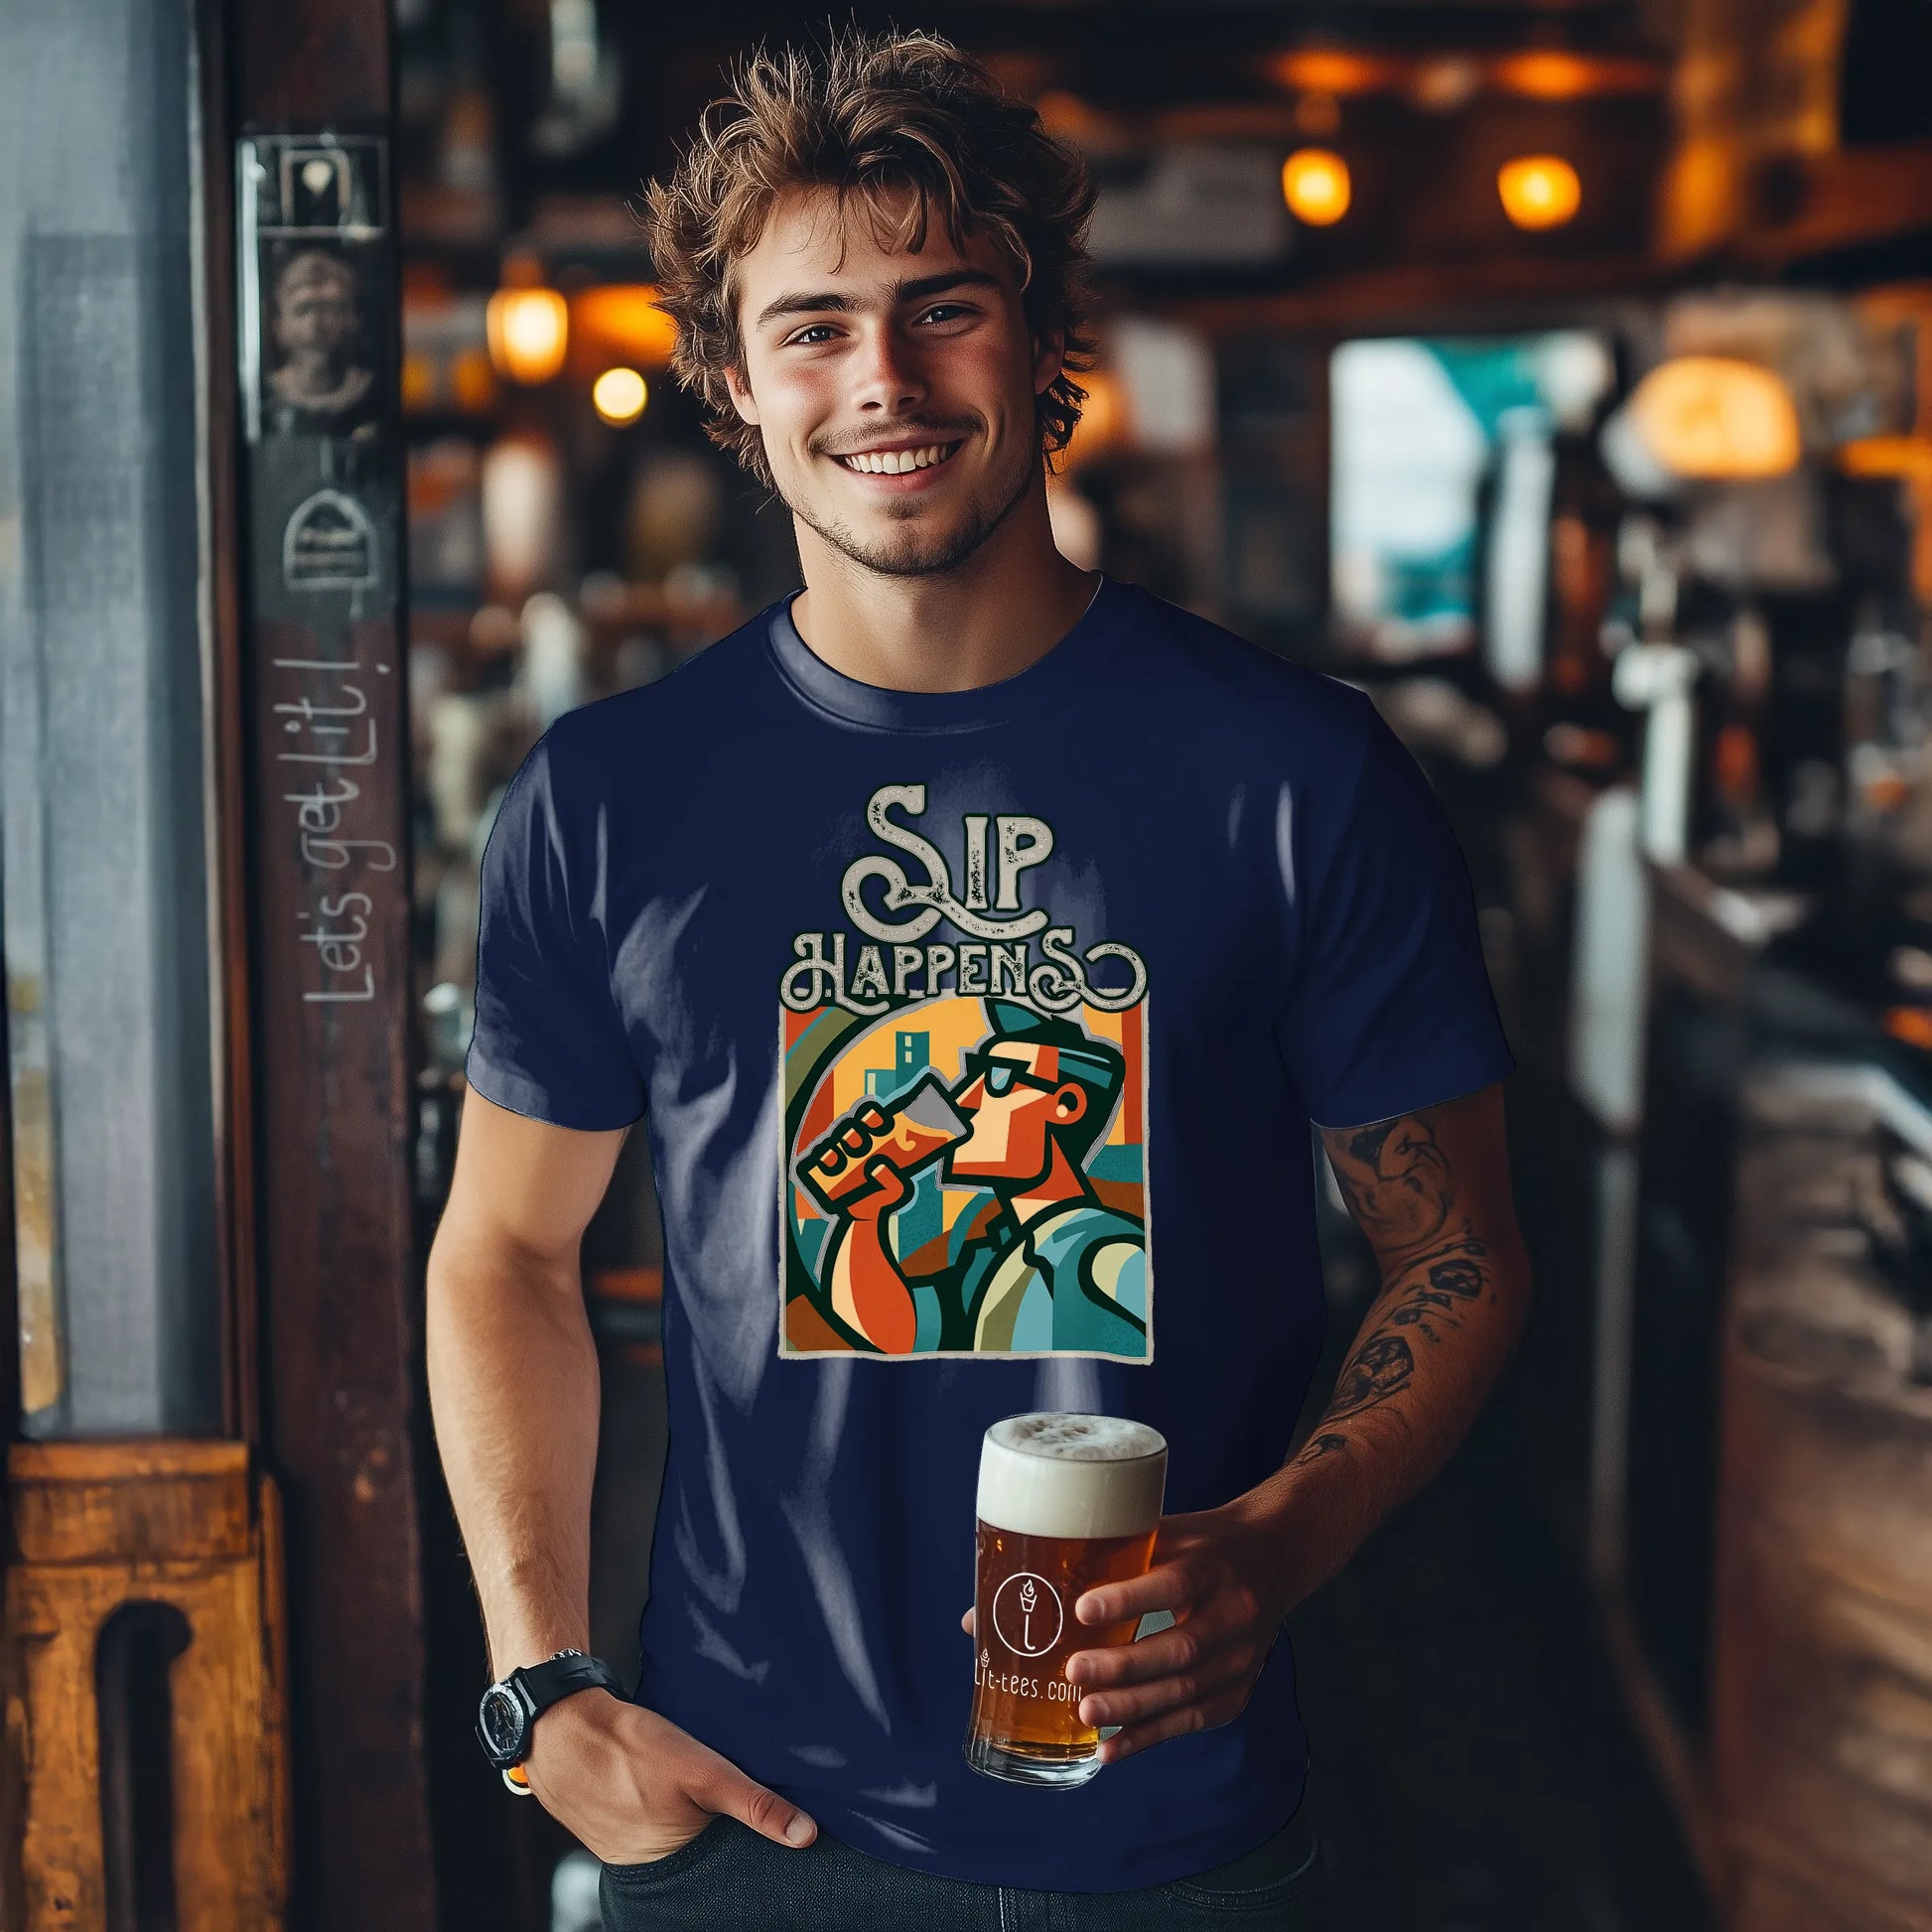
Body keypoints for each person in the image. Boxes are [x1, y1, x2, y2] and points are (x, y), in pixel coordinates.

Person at [426, 27, 1531, 1932]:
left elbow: (1460, 1246)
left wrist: (1279, 1546)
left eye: (943, 307)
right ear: (737, 387)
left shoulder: (1294, 771)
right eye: (812, 327)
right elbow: (502, 1253)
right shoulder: (611, 799)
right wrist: (543, 1694)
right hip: (737, 1826)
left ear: (1037, 342)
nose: (882, 379)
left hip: (1178, 1835)